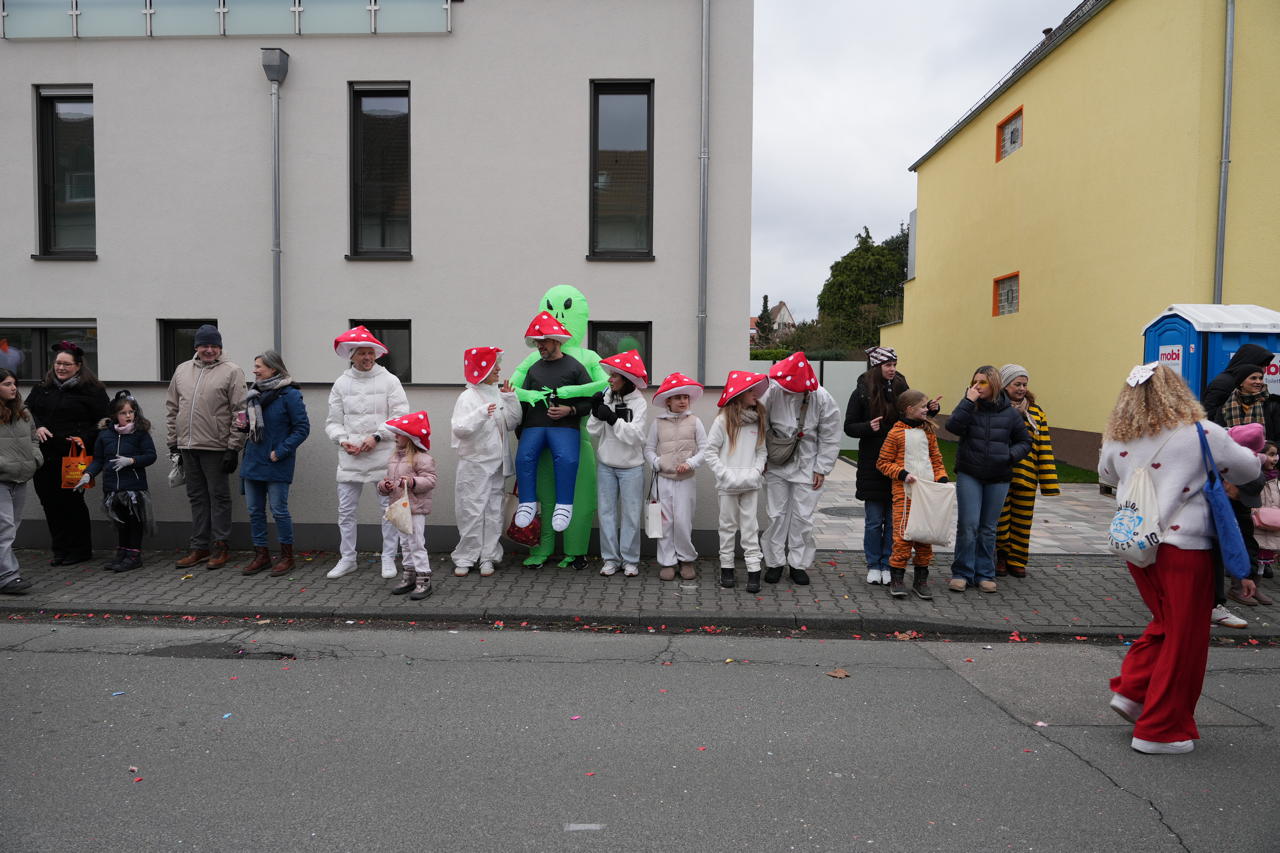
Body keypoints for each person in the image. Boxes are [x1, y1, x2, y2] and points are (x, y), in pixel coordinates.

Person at [1098, 362, 1259, 754]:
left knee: (1166, 622)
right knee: (1186, 638)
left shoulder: (1118, 437)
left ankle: (1133, 691)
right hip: (1185, 547)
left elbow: (1106, 474)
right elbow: (1247, 467)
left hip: (1138, 545)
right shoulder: (1201, 433)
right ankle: (1160, 730)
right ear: (1177, 392)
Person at [844, 346, 939, 586]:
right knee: (874, 521)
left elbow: (913, 415)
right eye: (888, 365)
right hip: (872, 463)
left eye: (894, 364)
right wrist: (868, 427)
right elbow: (849, 426)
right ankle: (874, 565)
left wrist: (931, 412)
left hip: (900, 464)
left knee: (896, 521)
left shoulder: (900, 387)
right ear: (877, 367)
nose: (893, 369)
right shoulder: (861, 392)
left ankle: (889, 565)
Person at [324, 327, 409, 580]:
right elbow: (332, 422)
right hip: (350, 457)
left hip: (383, 455)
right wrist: (342, 440)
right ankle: (347, 558)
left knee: (388, 508)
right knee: (346, 510)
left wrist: (377, 436)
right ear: (352, 355)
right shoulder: (341, 383)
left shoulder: (390, 380)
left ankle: (388, 558)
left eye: (370, 352)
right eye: (362, 353)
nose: (367, 357)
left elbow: (400, 417)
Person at [165, 324, 247, 570]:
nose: (209, 350)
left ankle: (220, 546)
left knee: (219, 497)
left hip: (217, 447)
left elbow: (241, 412)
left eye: (214, 346)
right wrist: (173, 441)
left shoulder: (232, 371)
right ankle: (199, 546)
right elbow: (172, 408)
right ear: (196, 347)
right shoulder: (182, 370)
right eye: (204, 345)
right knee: (196, 497)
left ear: (220, 348)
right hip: (187, 446)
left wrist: (234, 447)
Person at [945, 365, 1030, 593]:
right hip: (970, 473)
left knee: (988, 528)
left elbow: (1025, 442)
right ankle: (962, 572)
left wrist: (1009, 456)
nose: (977, 386)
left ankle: (985, 573)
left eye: (982, 382)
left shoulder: (1010, 413)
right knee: (968, 525)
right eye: (974, 382)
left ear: (993, 385)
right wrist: (967, 402)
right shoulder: (969, 407)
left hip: (998, 476)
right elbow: (952, 427)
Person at [760, 352, 842, 587]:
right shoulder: (773, 391)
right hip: (777, 463)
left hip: (807, 465)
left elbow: (830, 435)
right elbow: (760, 426)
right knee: (776, 515)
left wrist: (822, 467)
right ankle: (774, 562)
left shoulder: (822, 397)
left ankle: (798, 564)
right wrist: (762, 457)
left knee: (802, 517)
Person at [25, 340, 109, 565]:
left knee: (72, 504)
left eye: (66, 364)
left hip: (72, 456)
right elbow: (26, 410)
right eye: (57, 363)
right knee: (49, 503)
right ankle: (60, 548)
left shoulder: (93, 390)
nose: (60, 368)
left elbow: (103, 421)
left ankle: (80, 549)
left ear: (79, 366)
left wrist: (85, 438)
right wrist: (38, 426)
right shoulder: (42, 387)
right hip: (44, 456)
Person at [511, 312, 595, 536]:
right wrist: (519, 427)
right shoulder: (534, 368)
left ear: (556, 341)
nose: (539, 346)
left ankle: (564, 505)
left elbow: (591, 400)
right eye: (537, 342)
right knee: (523, 458)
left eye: (543, 341)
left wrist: (570, 410)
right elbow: (524, 400)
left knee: (567, 460)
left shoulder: (575, 367)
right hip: (534, 425)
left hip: (565, 427)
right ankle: (527, 503)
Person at [450, 347, 520, 578]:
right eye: (494, 365)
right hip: (474, 464)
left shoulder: (497, 393)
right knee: (471, 510)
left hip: (497, 464)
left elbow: (511, 423)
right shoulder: (467, 397)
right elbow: (460, 429)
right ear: (482, 369)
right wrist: (480, 414)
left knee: (493, 510)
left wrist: (510, 399)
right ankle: (466, 556)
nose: (499, 369)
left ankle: (488, 556)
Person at [238, 350, 309, 577]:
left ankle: (287, 557)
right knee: (254, 511)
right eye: (255, 365)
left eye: (259, 366)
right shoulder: (254, 394)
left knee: (279, 511)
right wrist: (243, 427)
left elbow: (302, 429)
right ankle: (261, 556)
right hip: (253, 460)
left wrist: (281, 451)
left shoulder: (290, 395)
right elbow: (255, 426)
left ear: (274, 369)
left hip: (276, 461)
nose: (254, 370)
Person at [876, 390, 949, 599]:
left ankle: (921, 580)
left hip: (926, 494)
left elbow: (936, 459)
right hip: (904, 494)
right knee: (903, 537)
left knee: (925, 537)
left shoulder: (928, 432)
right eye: (923, 406)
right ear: (909, 409)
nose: (928, 410)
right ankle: (897, 577)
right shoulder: (895, 433)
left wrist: (942, 478)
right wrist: (902, 474)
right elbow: (882, 462)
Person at [704, 371, 768, 592]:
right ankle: (727, 569)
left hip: (750, 483)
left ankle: (753, 571)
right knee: (727, 527)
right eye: (751, 391)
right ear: (739, 393)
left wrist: (756, 472)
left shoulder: (758, 421)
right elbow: (710, 452)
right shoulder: (722, 421)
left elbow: (761, 451)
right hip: (728, 484)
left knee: (751, 527)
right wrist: (725, 475)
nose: (756, 395)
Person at [994, 364, 1060, 578]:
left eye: (1024, 384)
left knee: (1022, 522)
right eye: (1017, 384)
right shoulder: (996, 409)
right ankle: (1001, 555)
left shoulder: (1036, 412)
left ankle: (1017, 560)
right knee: (1001, 520)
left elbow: (1044, 446)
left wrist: (1049, 483)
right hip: (1000, 474)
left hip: (1027, 475)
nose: (1021, 388)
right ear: (1005, 385)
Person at [588, 351, 650, 578]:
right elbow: (593, 431)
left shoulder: (639, 403)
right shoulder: (608, 396)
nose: (609, 379)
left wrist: (613, 419)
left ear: (627, 379)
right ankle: (610, 559)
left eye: (614, 376)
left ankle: (631, 560)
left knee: (631, 515)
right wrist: (596, 413)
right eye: (611, 375)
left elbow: (636, 437)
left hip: (631, 467)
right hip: (606, 464)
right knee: (606, 514)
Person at [80, 391, 157, 573]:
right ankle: (122, 553)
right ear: (115, 415)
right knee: (121, 522)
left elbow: (150, 455)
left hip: (133, 488)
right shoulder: (105, 435)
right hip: (112, 488)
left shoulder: (140, 434)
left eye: (131, 412)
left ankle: (134, 555)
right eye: (123, 413)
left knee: (133, 522)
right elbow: (98, 460)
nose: (128, 416)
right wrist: (88, 474)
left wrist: (131, 461)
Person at [644, 373, 706, 581]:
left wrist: (690, 463)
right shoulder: (658, 423)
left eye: (685, 397)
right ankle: (668, 562)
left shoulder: (695, 422)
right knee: (665, 522)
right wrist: (657, 462)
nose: (682, 401)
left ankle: (686, 559)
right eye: (678, 397)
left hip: (686, 480)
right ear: (668, 401)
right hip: (663, 480)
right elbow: (649, 449)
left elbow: (706, 449)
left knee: (683, 521)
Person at [378, 412, 437, 600]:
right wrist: (384, 486)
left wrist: (411, 482)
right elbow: (388, 480)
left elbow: (430, 480)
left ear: (410, 437)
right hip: (400, 508)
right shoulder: (395, 457)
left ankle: (424, 578)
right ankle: (410, 575)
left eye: (399, 433)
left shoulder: (422, 458)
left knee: (416, 543)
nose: (395, 437)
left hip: (415, 508)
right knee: (404, 542)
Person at [0, 368, 42, 594]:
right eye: (7, 384)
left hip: (21, 478)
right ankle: (8, 577)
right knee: (4, 528)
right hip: (1, 478)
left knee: (11, 528)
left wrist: (35, 459)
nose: (13, 388)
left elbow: (33, 437)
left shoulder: (23, 411)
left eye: (14, 383)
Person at [1202, 344, 1273, 424]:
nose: (1264, 371)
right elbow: (1208, 416)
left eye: (1266, 367)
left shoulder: (1264, 394)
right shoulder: (1223, 384)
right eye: (1261, 366)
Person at [1215, 364, 1279, 440]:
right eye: (1253, 378)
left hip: (1265, 451)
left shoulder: (1273, 405)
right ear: (1241, 382)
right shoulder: (1225, 408)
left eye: (1261, 378)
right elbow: (1219, 437)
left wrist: (1270, 447)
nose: (1258, 382)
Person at [1254, 441, 1280, 580]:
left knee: (1263, 558)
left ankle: (1256, 587)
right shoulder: (1254, 477)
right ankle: (1241, 587)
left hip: (1271, 525)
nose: (1275, 458)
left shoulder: (1275, 479)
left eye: (1276, 455)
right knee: (1252, 556)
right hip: (1256, 523)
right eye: (1271, 454)